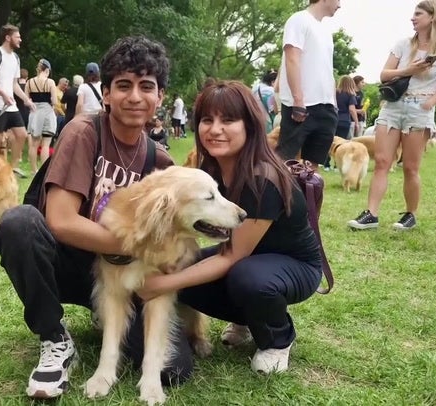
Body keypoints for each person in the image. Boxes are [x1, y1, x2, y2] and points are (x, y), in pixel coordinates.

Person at [0, 36, 191, 400]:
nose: (135, 96)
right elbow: (62, 221)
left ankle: (108, 316)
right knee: (19, 223)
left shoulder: (160, 161)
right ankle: (55, 338)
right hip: (68, 262)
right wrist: (145, 246)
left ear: (160, 96)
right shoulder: (84, 132)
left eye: (147, 87)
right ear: (107, 93)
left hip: (122, 276)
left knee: (174, 370)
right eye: (124, 86)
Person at [136, 80, 322, 374]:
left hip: (294, 265)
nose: (215, 129)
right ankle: (246, 317)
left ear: (249, 125)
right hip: (247, 257)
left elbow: (232, 256)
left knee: (245, 277)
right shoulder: (211, 170)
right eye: (207, 120)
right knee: (179, 266)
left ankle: (278, 338)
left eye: (228, 120)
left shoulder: (263, 178)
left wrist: (160, 285)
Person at [348, 0, 436, 231]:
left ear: (433, 16)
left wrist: (430, 103)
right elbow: (384, 74)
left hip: (420, 107)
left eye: (418, 13)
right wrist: (409, 70)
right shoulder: (403, 44)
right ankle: (371, 214)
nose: (412, 18)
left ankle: (410, 214)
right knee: (382, 162)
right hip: (393, 105)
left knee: (410, 166)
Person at [276, 0, 340, 169]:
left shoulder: (326, 31)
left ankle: (307, 189)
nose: (340, 5)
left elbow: (327, 69)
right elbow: (292, 58)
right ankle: (277, 187)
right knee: (284, 161)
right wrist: (298, 100)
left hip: (326, 107)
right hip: (302, 105)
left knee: (312, 166)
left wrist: (333, 103)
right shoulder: (299, 19)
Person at [0, 24, 34, 177]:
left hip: (10, 105)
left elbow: (14, 84)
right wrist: (2, 93)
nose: (20, 40)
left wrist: (26, 100)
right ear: (8, 38)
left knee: (22, 134)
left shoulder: (15, 58)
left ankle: (12, 168)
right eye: (18, 37)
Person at [25, 58, 57, 170]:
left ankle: (34, 170)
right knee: (46, 144)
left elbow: (26, 101)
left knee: (34, 144)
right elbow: (55, 101)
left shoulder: (29, 82)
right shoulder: (50, 82)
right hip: (47, 112)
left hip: (34, 113)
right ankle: (44, 170)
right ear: (47, 70)